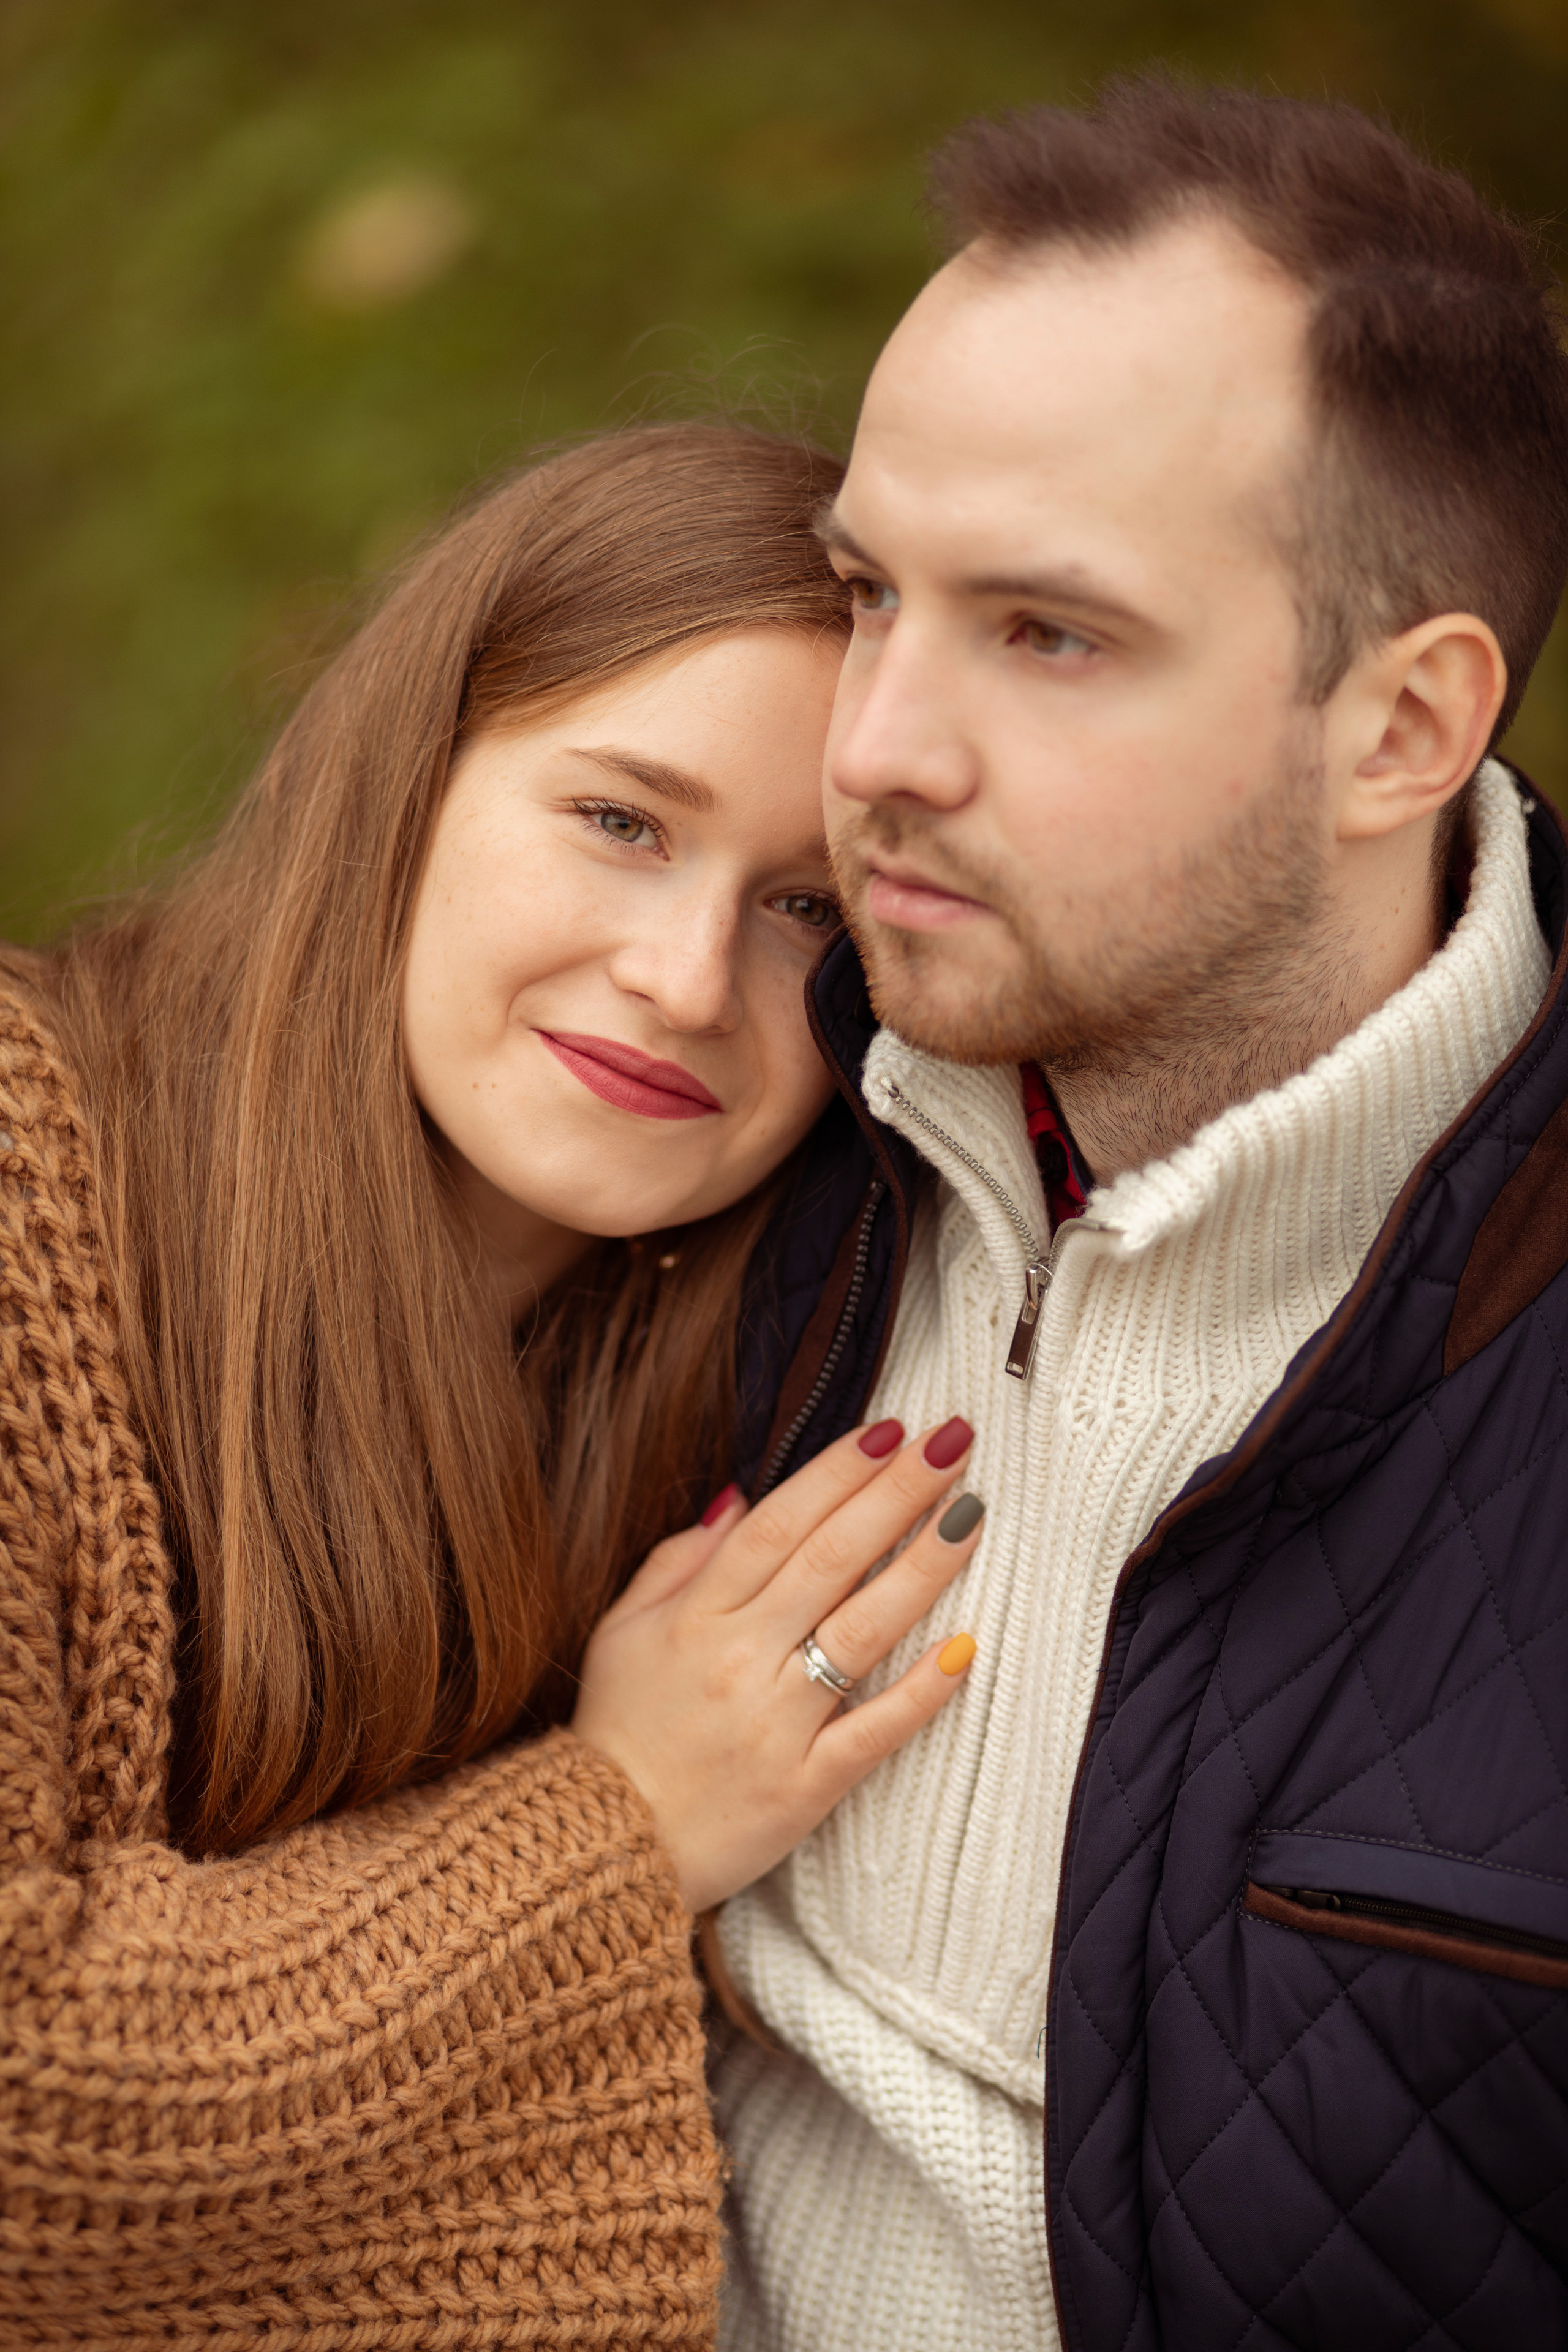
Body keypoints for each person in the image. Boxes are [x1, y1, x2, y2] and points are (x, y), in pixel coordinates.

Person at [707, 80, 1568, 2351]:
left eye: (1050, 635)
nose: (876, 749)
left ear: (1404, 726)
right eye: (869, 595)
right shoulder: (705, 1122)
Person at [0, 423, 991, 2347]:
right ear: (407, 782)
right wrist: (621, 1821)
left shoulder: (779, 1373)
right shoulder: (35, 1202)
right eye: (621, 820)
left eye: (811, 912)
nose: (685, 978)